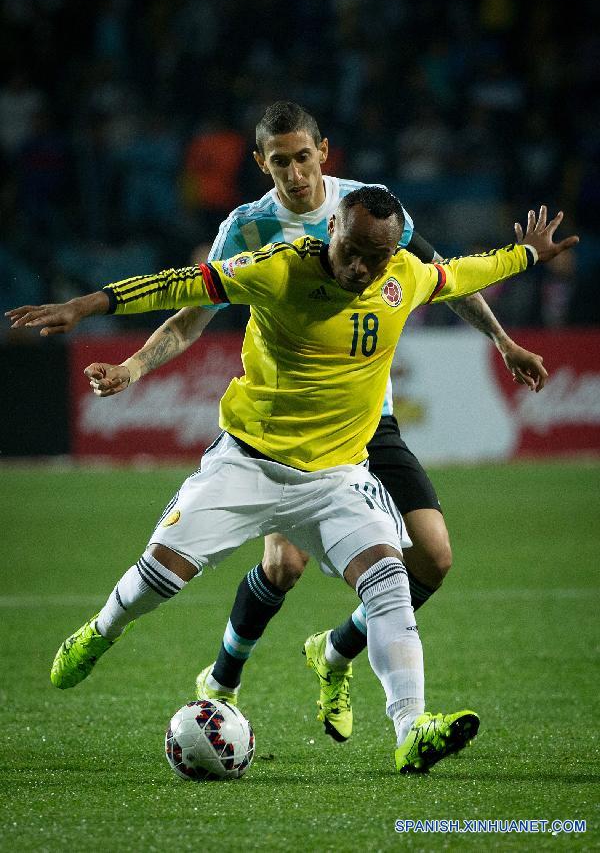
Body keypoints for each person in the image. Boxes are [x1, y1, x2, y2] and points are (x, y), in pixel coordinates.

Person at [7, 190, 576, 774]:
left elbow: (464, 273)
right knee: (160, 578)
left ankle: (410, 729)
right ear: (333, 228)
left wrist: (527, 256)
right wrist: (88, 306)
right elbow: (177, 285)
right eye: (352, 251)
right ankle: (102, 631)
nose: (362, 269)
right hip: (246, 463)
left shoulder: (405, 275)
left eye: (375, 258)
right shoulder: (277, 269)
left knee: (388, 580)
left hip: (337, 476)